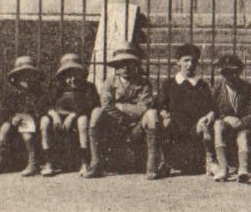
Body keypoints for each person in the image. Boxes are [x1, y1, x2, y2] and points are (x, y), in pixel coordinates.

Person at [86, 48, 155, 178]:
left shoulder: (144, 83)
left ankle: (152, 165)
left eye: (129, 63)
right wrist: (120, 117)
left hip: (136, 124)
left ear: (135, 65)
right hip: (114, 124)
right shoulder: (110, 81)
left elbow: (143, 107)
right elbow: (106, 103)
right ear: (116, 67)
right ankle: (95, 163)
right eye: (121, 64)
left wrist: (121, 107)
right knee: (96, 112)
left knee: (151, 115)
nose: (126, 68)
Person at [148, 43, 213, 177]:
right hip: (174, 128)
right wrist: (163, 112)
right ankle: (163, 162)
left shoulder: (202, 85)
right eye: (186, 60)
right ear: (178, 62)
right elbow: (157, 105)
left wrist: (209, 115)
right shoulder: (170, 84)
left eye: (193, 61)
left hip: (194, 128)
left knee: (204, 126)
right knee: (163, 124)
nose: (190, 64)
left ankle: (209, 161)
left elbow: (211, 108)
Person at [200, 53, 251, 184]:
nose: (232, 76)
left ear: (239, 72)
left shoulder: (250, 90)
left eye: (235, 72)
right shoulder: (216, 91)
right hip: (225, 130)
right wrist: (216, 116)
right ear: (222, 74)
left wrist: (241, 122)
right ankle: (223, 168)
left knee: (243, 136)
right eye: (227, 73)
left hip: (244, 129)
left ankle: (243, 170)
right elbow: (213, 109)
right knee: (217, 125)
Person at [41, 53, 97, 176]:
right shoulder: (56, 88)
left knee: (83, 122)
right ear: (63, 76)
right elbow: (46, 104)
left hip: (78, 115)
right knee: (44, 122)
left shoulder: (88, 87)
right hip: (58, 116)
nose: (72, 79)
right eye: (68, 75)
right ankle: (48, 162)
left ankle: (84, 162)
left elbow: (90, 104)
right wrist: (54, 116)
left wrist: (73, 115)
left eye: (75, 74)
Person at [0, 55, 45, 177]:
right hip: (15, 121)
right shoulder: (12, 94)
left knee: (25, 127)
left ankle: (33, 162)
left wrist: (25, 116)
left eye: (29, 75)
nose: (26, 79)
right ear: (16, 77)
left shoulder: (37, 93)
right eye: (22, 75)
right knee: (4, 128)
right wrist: (12, 118)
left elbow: (40, 110)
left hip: (32, 121)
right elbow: (5, 111)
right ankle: (0, 161)